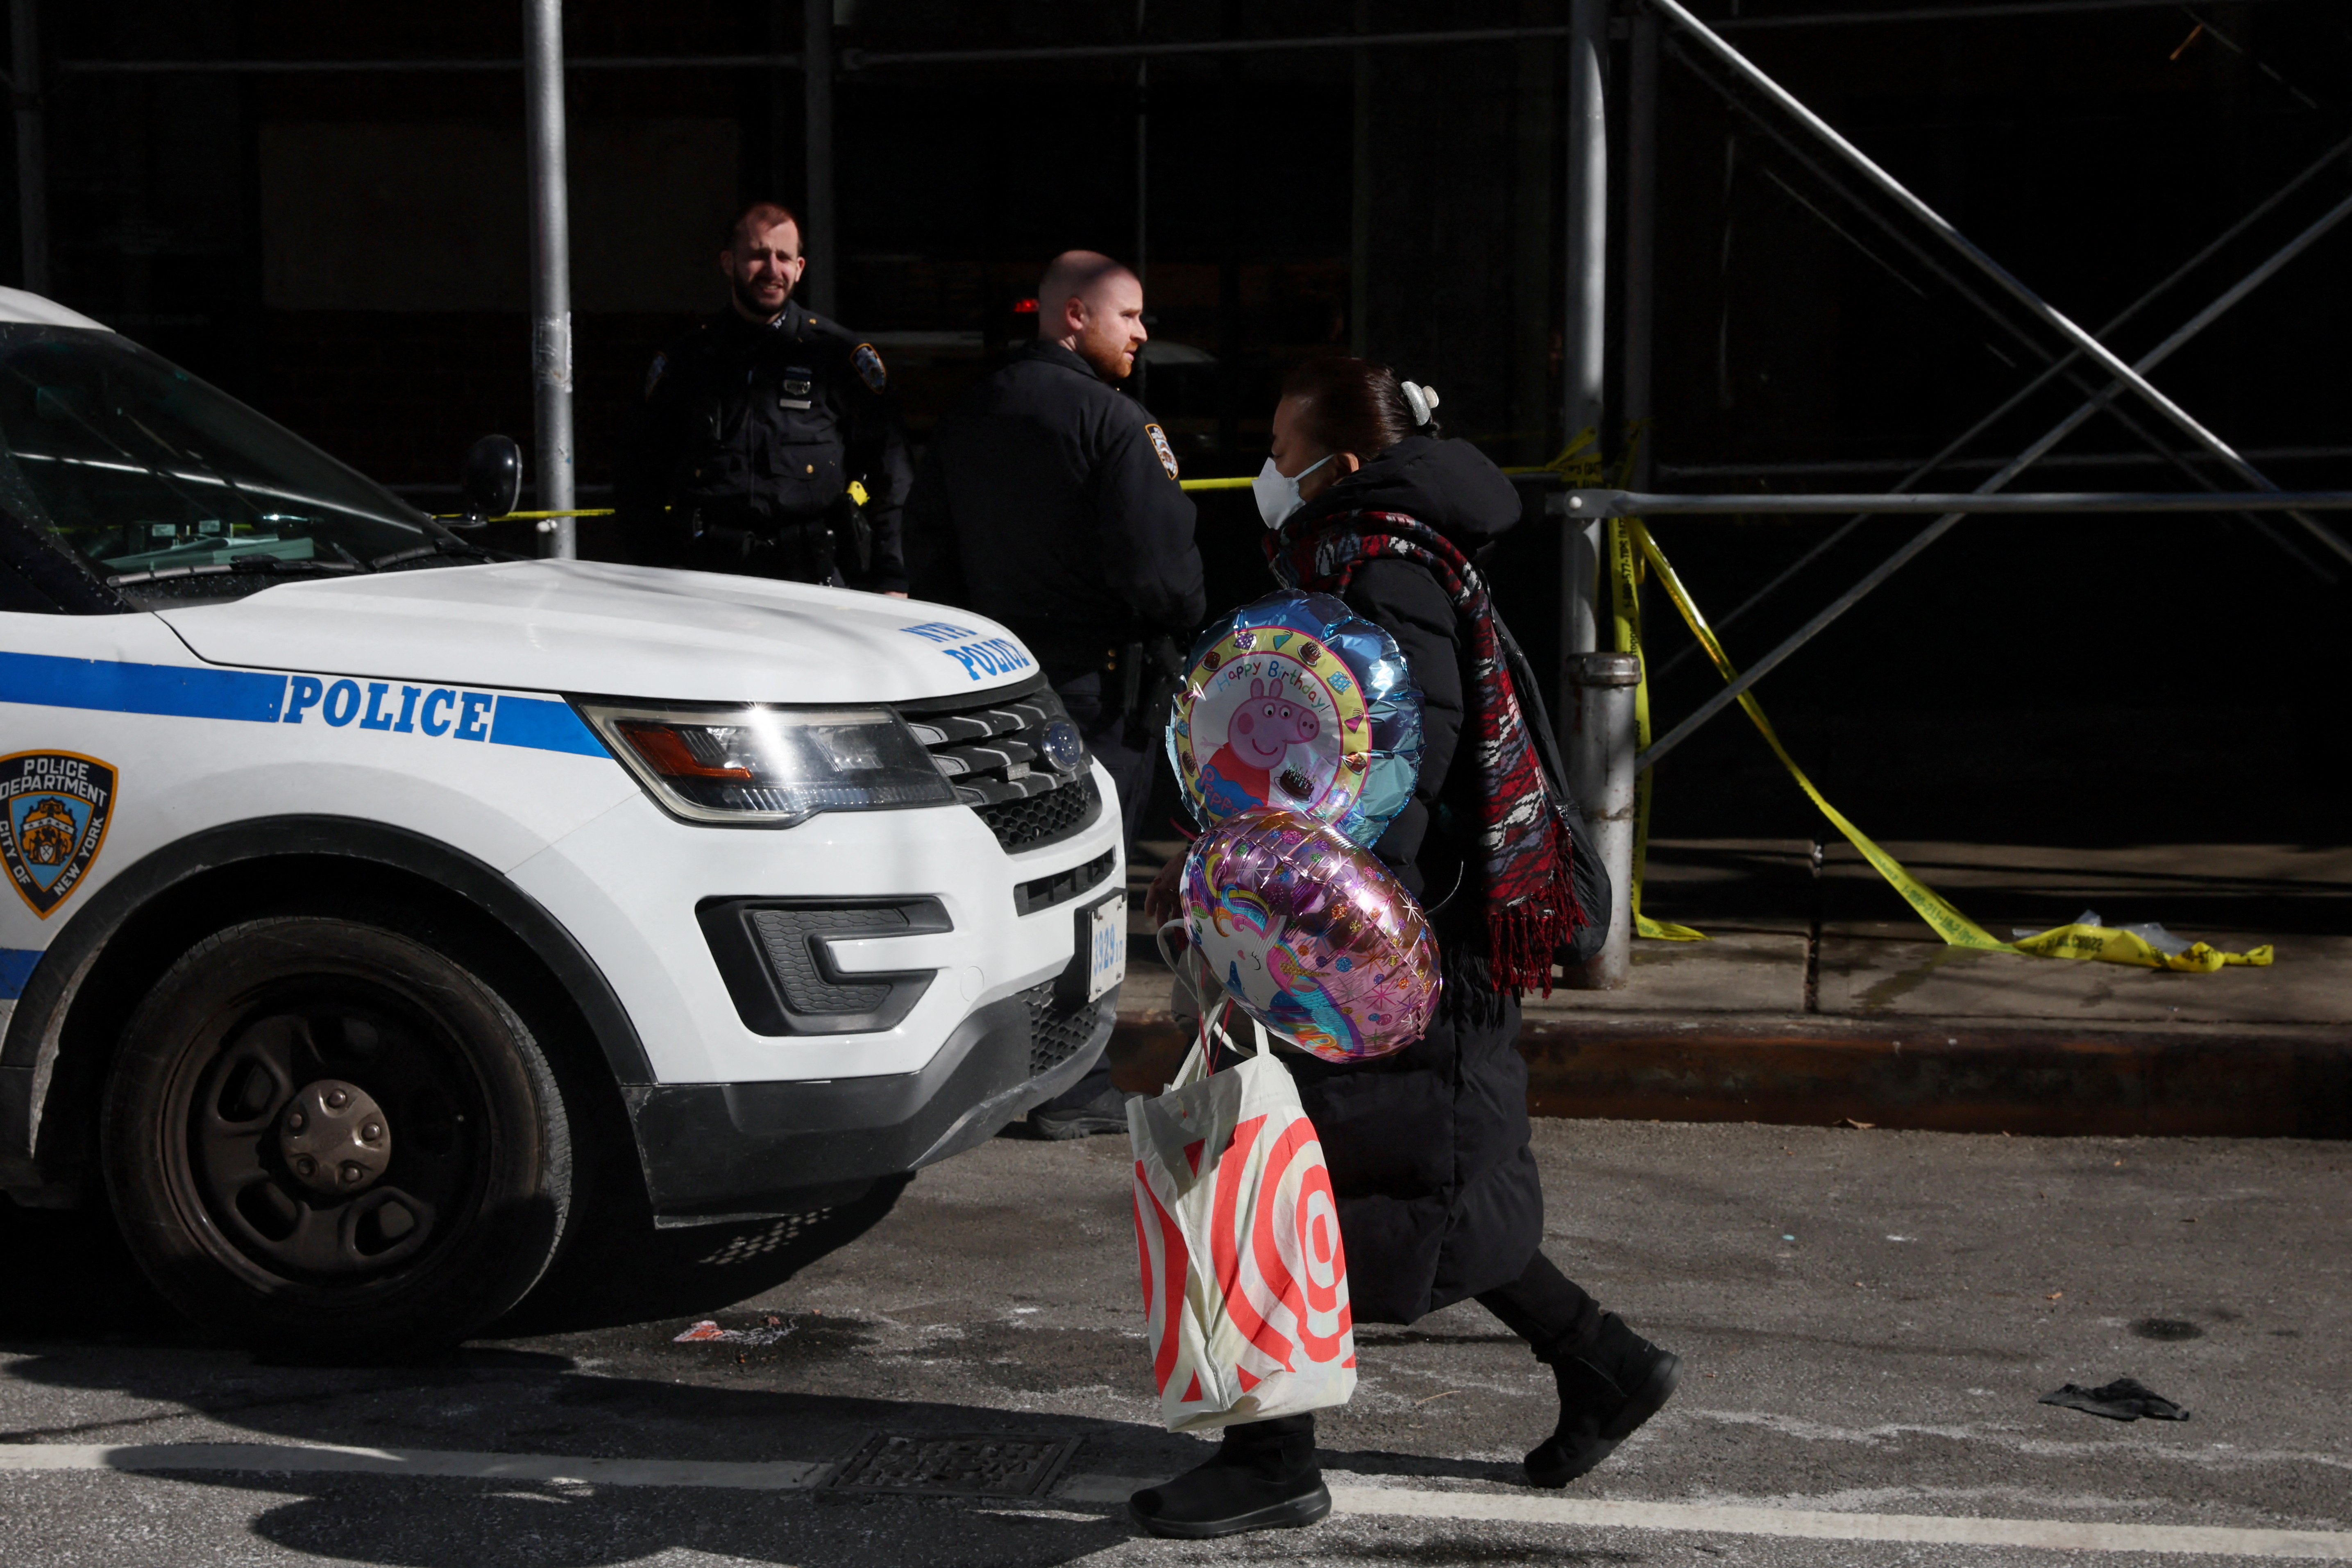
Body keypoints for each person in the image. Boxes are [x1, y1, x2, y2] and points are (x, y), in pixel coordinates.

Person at [1135, 358, 1680, 1539]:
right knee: (1375, 1184)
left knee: (1293, 1178)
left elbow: (1400, 761)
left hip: (1382, 942)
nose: (1269, 470)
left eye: (1283, 445)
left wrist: (1312, 897)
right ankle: (1600, 1361)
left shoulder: (1371, 563)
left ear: (1339, 459)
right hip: (1400, 931)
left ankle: (1271, 1452)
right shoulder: (1397, 547)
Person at [905, 250, 1206, 1140]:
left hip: (992, 687)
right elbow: (1163, 578)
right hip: (1097, 687)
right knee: (1091, 890)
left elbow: (926, 548)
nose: (1142, 333)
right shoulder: (1115, 423)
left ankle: (999, 1070)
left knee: (1011, 880)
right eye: (1130, 316)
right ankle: (1071, 1083)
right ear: (1073, 316)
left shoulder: (972, 410)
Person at [616, 202, 912, 593]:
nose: (773, 270)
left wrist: (892, 576)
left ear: (800, 268)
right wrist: (652, 568)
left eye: (784, 258)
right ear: (728, 262)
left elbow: (890, 473)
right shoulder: (686, 362)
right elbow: (639, 477)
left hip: (813, 577)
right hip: (705, 580)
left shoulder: (838, 357)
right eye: (758, 255)